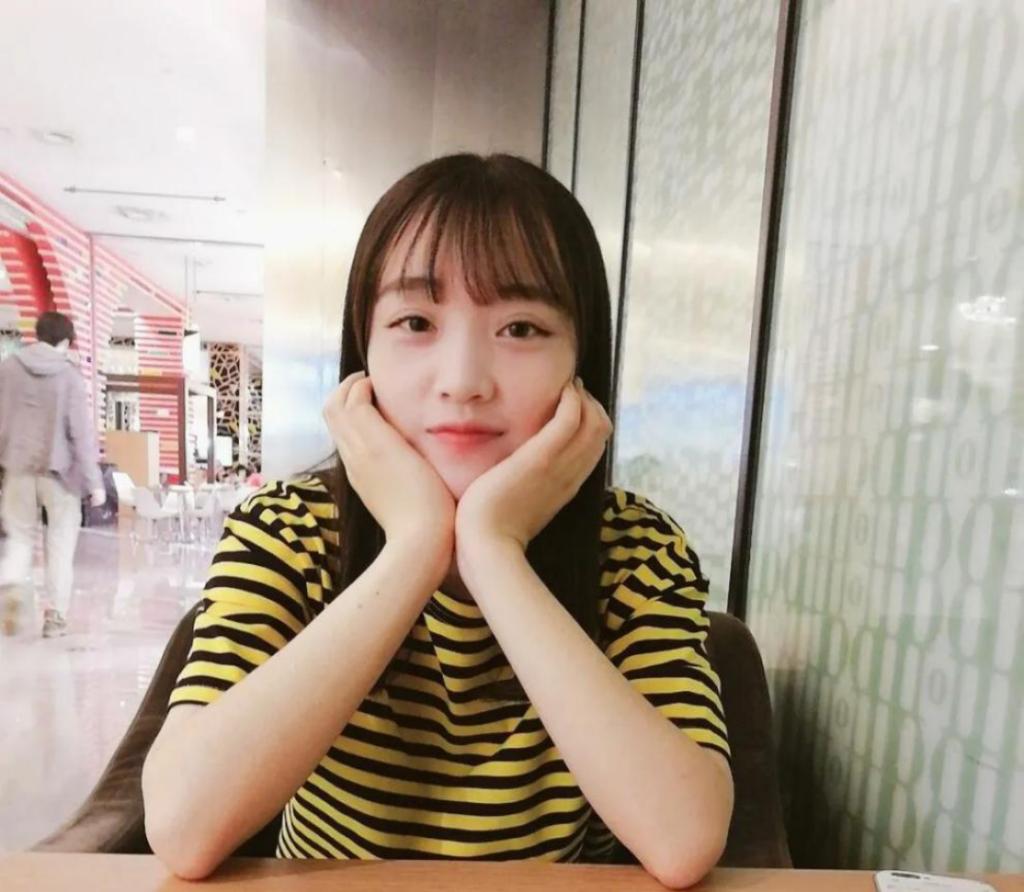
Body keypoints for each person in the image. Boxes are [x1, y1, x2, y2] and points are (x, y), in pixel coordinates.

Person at [141, 155, 733, 886]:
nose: (462, 381)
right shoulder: (287, 530)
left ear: (584, 363)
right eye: (415, 321)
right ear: (363, 355)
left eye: (521, 327)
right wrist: (416, 547)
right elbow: (184, 827)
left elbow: (683, 840)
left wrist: (493, 551)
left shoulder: (637, 550)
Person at [0, 311, 106, 637]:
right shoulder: (69, 376)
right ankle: (55, 615)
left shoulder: (8, 369)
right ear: (65, 341)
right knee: (60, 543)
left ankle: (12, 585)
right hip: (60, 473)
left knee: (19, 537)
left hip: (18, 467)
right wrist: (94, 481)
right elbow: (80, 433)